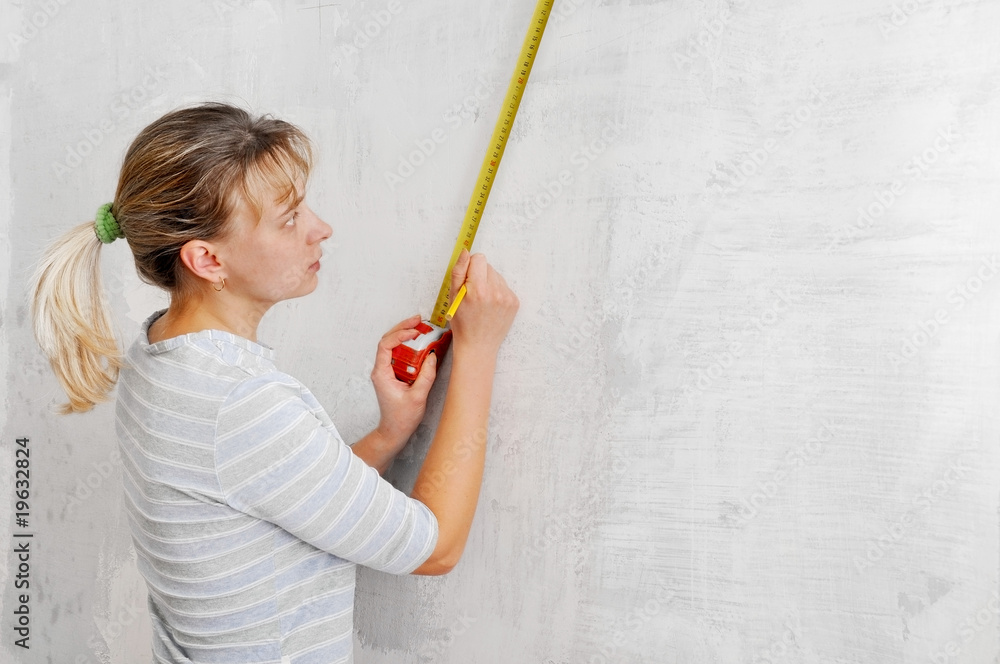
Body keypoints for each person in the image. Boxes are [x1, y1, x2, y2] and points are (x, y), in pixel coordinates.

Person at [29, 102, 519, 664]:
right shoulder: (243, 401)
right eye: (289, 218)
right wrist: (478, 350)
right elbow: (435, 548)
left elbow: (266, 497)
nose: (320, 229)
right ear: (208, 260)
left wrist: (388, 434)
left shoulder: (157, 358)